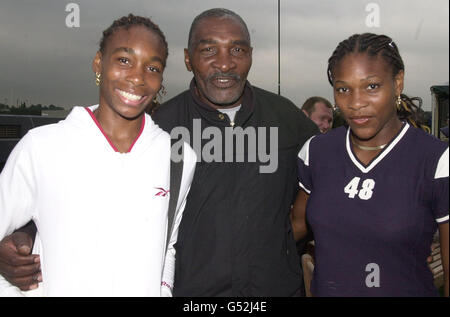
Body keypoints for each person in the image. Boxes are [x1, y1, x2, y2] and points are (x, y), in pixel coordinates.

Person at [0, 8, 318, 297]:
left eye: (237, 50)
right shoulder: (162, 128)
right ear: (187, 58)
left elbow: (334, 185)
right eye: (209, 50)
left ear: (250, 55)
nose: (225, 62)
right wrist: (26, 230)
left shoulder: (287, 119)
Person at [0, 14, 196, 296]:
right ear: (98, 63)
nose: (138, 78)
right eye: (124, 60)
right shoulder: (41, 147)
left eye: (152, 67)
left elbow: (167, 247)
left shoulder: (178, 158)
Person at [292, 33, 449, 296]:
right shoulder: (317, 151)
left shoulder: (436, 160)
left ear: (397, 83)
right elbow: (294, 228)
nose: (356, 103)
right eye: (343, 89)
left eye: (372, 86)